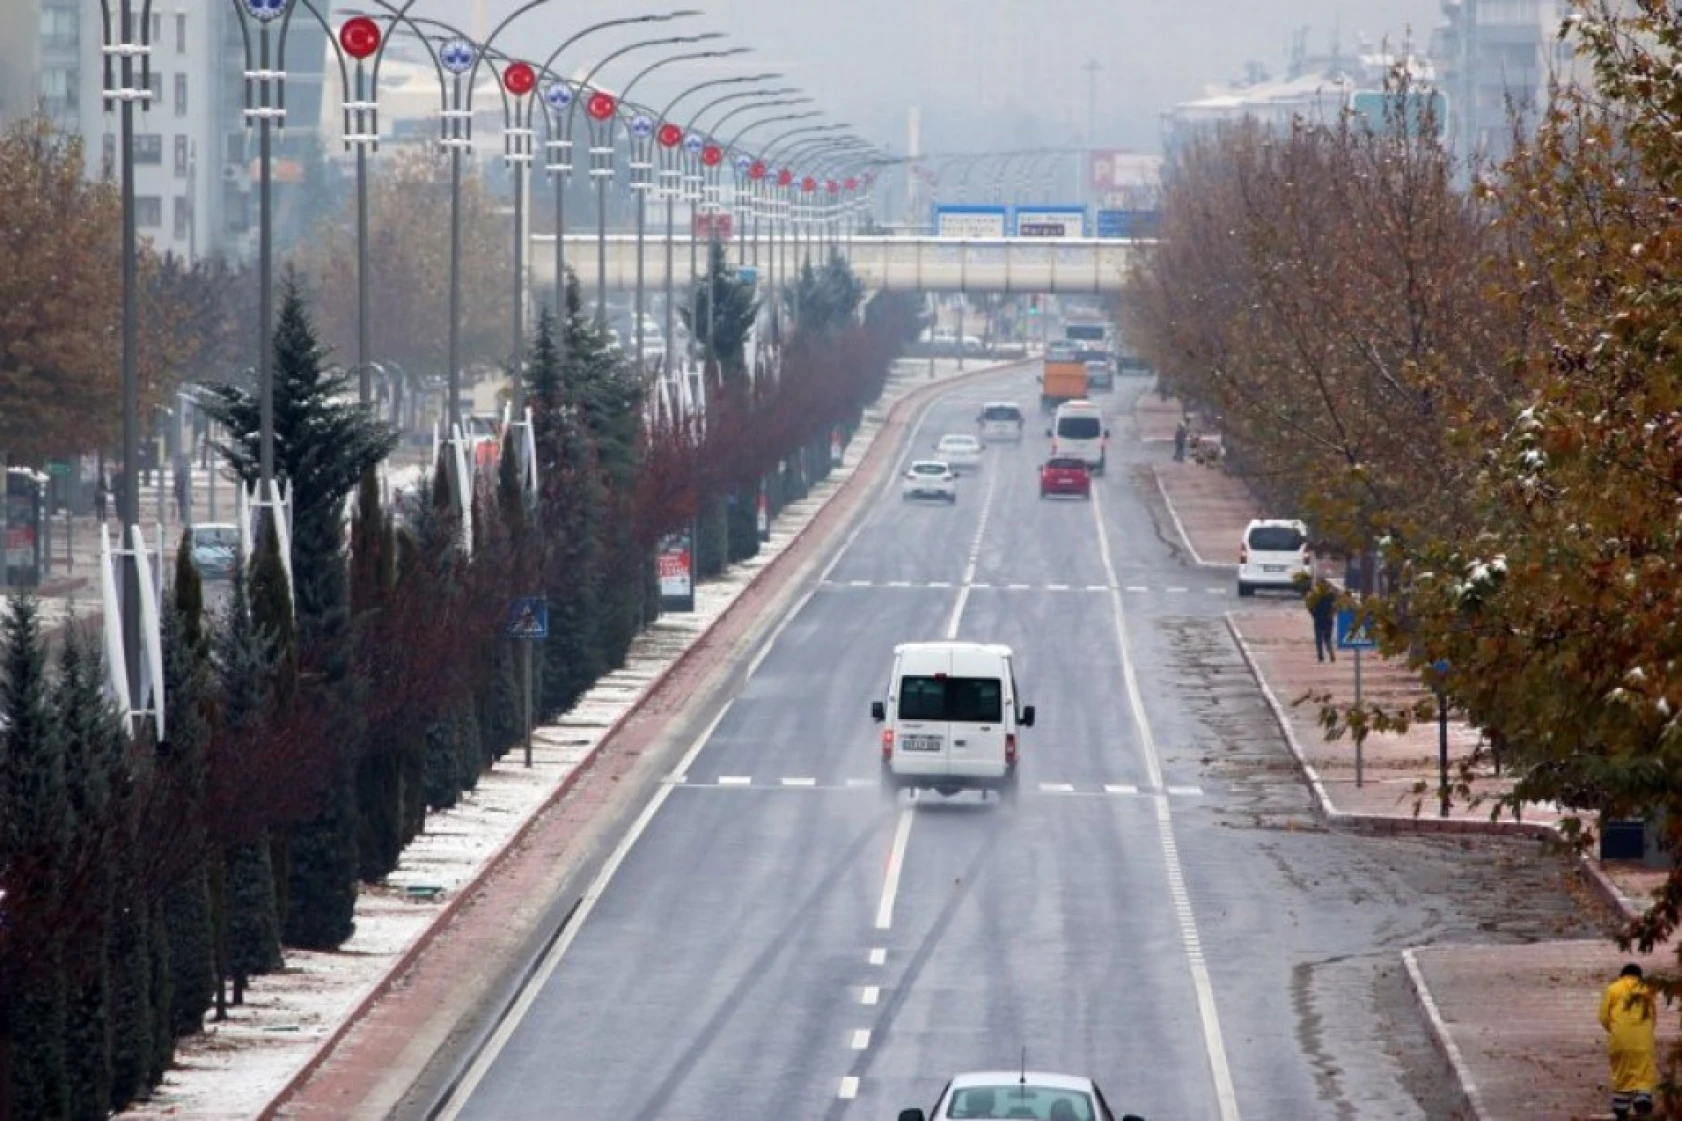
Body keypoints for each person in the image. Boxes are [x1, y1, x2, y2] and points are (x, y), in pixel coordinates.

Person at [1600, 963, 1659, 1119]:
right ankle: (1643, 1097)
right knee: (1644, 1071)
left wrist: (1614, 1030)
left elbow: (1603, 1017)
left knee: (1621, 1071)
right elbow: (1652, 1017)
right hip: (1643, 1039)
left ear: (1622, 975)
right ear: (1640, 977)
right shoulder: (1647, 991)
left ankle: (1621, 1105)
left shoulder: (1612, 989)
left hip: (1619, 1038)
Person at [1308, 578, 1337, 663]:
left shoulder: (1315, 595)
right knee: (1327, 639)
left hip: (1318, 620)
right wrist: (1332, 614)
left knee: (1319, 640)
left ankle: (1320, 657)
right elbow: (1335, 606)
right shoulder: (1331, 595)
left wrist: (1314, 614)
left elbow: (1310, 606)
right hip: (1328, 620)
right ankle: (1331, 654)